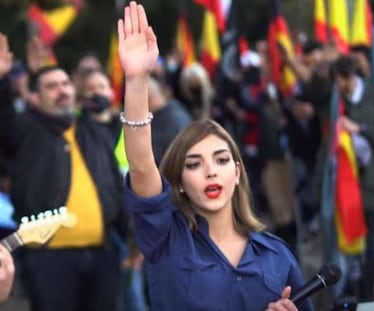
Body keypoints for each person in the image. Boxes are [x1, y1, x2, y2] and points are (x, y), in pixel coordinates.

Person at [118, 2, 314, 311]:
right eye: (194, 164)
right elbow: (142, 166)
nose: (210, 171)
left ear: (237, 173)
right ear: (179, 182)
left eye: (221, 160)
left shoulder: (277, 255)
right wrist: (137, 80)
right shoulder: (165, 240)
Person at [0, 33, 129, 310]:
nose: (62, 90)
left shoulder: (92, 132)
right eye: (52, 86)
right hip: (49, 258)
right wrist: (1, 81)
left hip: (102, 254)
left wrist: (133, 236)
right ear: (34, 97)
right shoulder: (27, 131)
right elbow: (3, 119)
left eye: (65, 84)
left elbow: (114, 187)